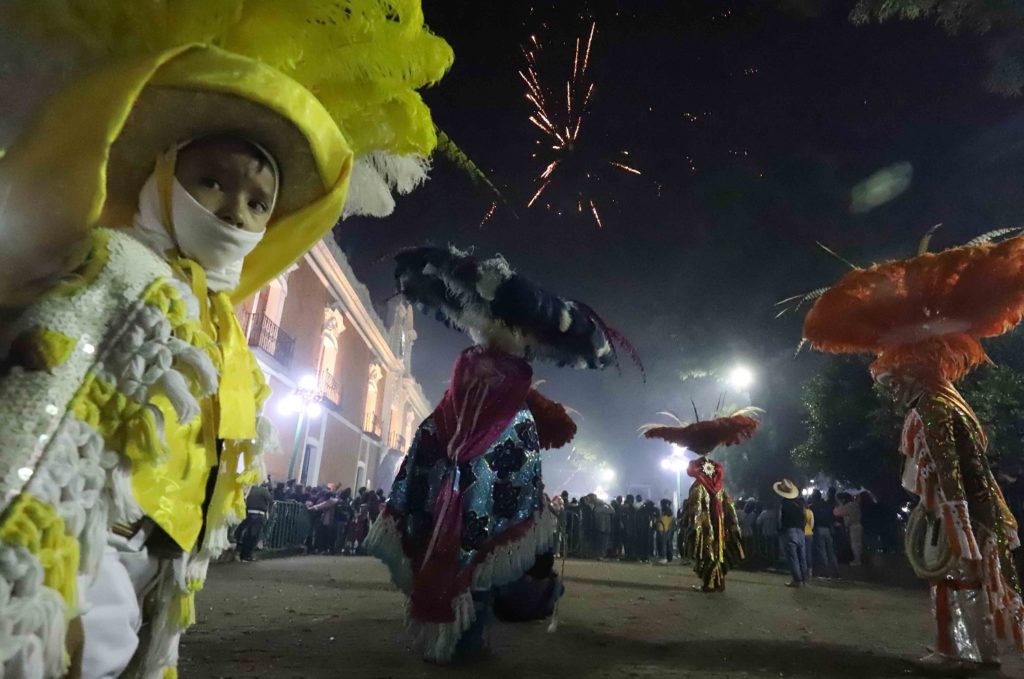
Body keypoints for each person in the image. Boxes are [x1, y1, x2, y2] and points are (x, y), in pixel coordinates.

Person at [0, 3, 454, 675]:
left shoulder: (223, 327)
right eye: (212, 181)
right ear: (165, 173)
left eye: (258, 202)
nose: (234, 211)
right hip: (77, 557)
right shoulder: (117, 269)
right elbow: (35, 423)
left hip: (156, 574)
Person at [365, 244, 639, 662]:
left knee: (477, 553)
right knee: (477, 554)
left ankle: (469, 629)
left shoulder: (491, 395)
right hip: (468, 480)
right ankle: (470, 630)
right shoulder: (490, 392)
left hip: (472, 481)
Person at [800, 230, 1024, 671]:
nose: (891, 389)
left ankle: (956, 652)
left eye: (894, 380)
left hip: (969, 517)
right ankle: (978, 652)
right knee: (968, 584)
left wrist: (956, 527)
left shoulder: (934, 408)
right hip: (977, 514)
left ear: (913, 370)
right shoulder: (945, 403)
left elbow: (950, 469)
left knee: (955, 583)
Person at [642, 407, 761, 592]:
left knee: (707, 547)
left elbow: (694, 506)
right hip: (719, 521)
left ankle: (710, 582)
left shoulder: (698, 485)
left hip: (706, 523)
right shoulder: (719, 485)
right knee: (719, 546)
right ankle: (719, 581)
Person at [774, 480, 809, 587]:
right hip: (800, 531)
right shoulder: (800, 503)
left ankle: (797, 580)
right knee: (802, 556)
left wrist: (780, 531)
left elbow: (779, 520)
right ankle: (804, 579)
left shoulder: (783, 504)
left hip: (789, 531)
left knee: (793, 557)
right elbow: (805, 517)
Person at [238, 482, 273, 562]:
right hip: (259, 514)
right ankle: (247, 555)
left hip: (248, 513)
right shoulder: (264, 491)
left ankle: (243, 555)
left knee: (248, 534)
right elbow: (271, 500)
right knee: (254, 536)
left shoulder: (250, 489)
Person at [810, 490, 841, 578]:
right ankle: (836, 571)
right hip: (828, 529)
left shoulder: (813, 507)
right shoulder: (827, 505)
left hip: (818, 529)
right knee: (831, 551)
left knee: (822, 551)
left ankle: (826, 572)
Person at [834, 493, 863, 567]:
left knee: (855, 544)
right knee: (858, 544)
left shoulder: (849, 506)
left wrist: (839, 505)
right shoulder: (855, 504)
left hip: (853, 526)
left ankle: (857, 561)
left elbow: (837, 513)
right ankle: (858, 559)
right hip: (858, 525)